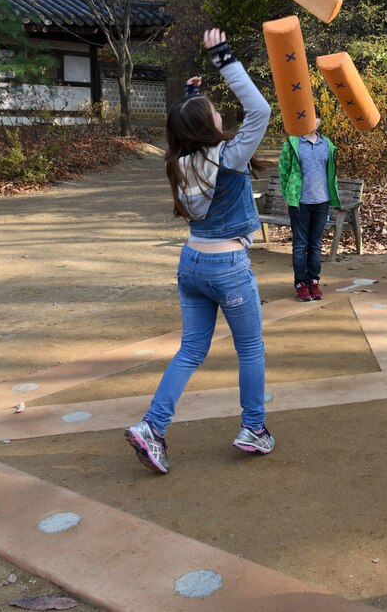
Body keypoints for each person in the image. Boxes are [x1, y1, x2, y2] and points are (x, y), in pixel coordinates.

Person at [125, 28, 275, 474]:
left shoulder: (181, 160)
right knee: (250, 349)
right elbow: (260, 109)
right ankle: (254, 428)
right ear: (208, 127)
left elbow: (190, 128)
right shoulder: (227, 156)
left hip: (191, 262)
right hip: (227, 265)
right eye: (212, 112)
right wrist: (223, 58)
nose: (219, 115)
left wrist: (192, 97)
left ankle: (153, 426)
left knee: (191, 350)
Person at [278, 118, 341, 301]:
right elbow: (284, 170)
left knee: (315, 244)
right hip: (300, 202)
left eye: (316, 116)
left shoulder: (326, 143)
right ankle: (301, 284)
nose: (312, 120)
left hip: (322, 201)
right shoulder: (293, 143)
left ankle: (314, 282)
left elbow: (330, 171)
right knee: (300, 245)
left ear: (320, 120)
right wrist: (287, 195)